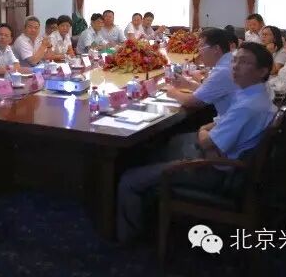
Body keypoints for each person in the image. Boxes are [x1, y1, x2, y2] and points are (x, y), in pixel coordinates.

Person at [117, 42, 276, 243]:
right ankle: (151, 201)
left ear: (262, 71)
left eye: (244, 62)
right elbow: (219, 122)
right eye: (235, 60)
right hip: (224, 162)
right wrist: (207, 133)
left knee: (129, 179)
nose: (235, 67)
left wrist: (203, 131)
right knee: (168, 145)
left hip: (217, 172)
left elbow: (208, 143)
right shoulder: (255, 94)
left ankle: (129, 239)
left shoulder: (248, 106)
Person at [164, 28, 239, 116]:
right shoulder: (230, 62)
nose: (199, 52)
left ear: (216, 48)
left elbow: (192, 101)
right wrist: (187, 84)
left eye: (201, 47)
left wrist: (173, 93)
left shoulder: (222, 71)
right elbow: (210, 90)